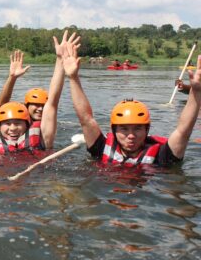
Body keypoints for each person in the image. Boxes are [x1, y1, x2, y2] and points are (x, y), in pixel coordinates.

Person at [62, 36, 201, 166]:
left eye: (138, 128)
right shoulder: (101, 148)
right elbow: (85, 118)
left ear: (147, 130)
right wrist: (73, 77)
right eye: (124, 129)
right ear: (114, 130)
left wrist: (196, 92)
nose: (131, 135)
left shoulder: (162, 155)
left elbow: (184, 130)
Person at [0, 31, 81, 154]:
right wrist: (12, 77)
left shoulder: (43, 132)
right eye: (36, 105)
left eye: (43, 105)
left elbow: (53, 101)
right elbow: (3, 105)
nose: (40, 109)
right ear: (26, 107)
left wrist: (60, 60)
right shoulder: (15, 121)